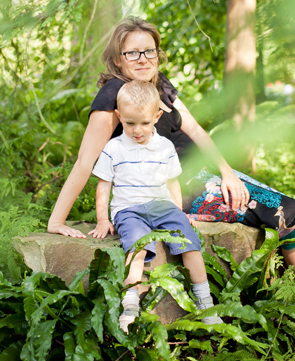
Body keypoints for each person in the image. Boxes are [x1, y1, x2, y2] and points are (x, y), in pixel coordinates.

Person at [47, 17, 295, 295]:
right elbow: (86, 162)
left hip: (206, 174)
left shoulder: (159, 87)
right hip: (178, 188)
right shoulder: (113, 96)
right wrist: (56, 221)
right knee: (287, 212)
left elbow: (195, 131)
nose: (143, 57)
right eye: (133, 52)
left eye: (150, 50)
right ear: (118, 59)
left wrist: (228, 172)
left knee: (289, 219)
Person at [88, 80, 222, 331]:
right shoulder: (114, 148)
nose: (137, 130)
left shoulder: (165, 147)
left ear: (157, 116)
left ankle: (205, 302)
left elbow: (172, 181)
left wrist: (179, 210)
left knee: (189, 243)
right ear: (119, 116)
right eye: (129, 123)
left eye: (145, 123)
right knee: (138, 247)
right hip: (129, 210)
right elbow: (103, 185)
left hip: (163, 206)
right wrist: (102, 219)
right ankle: (130, 304)